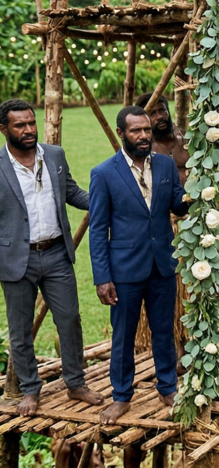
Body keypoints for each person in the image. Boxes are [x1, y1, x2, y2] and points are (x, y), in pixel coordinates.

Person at [0, 99, 103, 416]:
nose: (29, 129)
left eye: (31, 123)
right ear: (4, 129)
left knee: (69, 319)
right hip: (16, 259)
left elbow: (72, 192)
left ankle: (76, 383)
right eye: (20, 125)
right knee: (20, 329)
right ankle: (30, 389)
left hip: (57, 253)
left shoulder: (54, 155)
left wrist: (104, 201)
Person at [89, 106, 189, 425]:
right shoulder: (104, 173)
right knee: (124, 335)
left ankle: (168, 388)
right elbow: (97, 229)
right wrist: (102, 278)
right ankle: (121, 396)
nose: (144, 136)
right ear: (122, 133)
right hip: (124, 270)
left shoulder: (165, 165)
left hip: (162, 265)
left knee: (164, 329)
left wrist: (195, 194)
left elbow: (177, 204)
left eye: (146, 130)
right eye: (136, 131)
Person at [135, 93, 188, 185]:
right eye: (152, 113)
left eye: (162, 110)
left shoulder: (185, 138)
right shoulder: (144, 150)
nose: (159, 116)